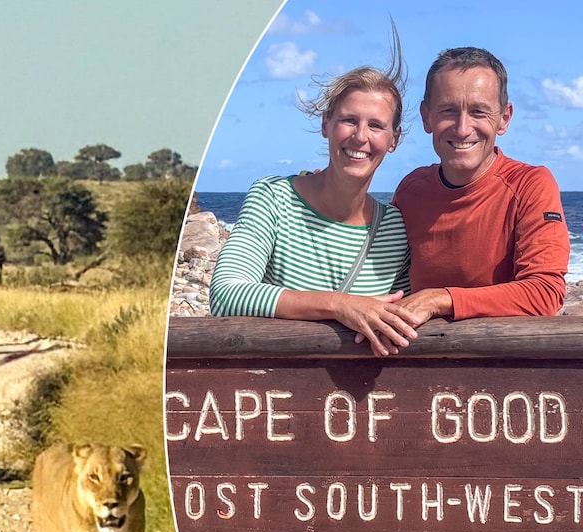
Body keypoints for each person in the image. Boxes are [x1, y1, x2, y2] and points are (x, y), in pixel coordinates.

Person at [209, 27, 421, 357]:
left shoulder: (394, 228)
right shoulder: (273, 199)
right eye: (349, 120)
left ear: (393, 139)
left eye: (376, 126)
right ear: (326, 124)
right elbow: (226, 294)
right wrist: (341, 305)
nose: (360, 136)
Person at [391, 47, 570, 323]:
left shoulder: (530, 186)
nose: (463, 128)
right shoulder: (411, 191)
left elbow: (545, 293)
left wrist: (440, 300)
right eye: (448, 110)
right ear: (426, 117)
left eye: (478, 112)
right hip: (419, 350)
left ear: (504, 119)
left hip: (500, 350)